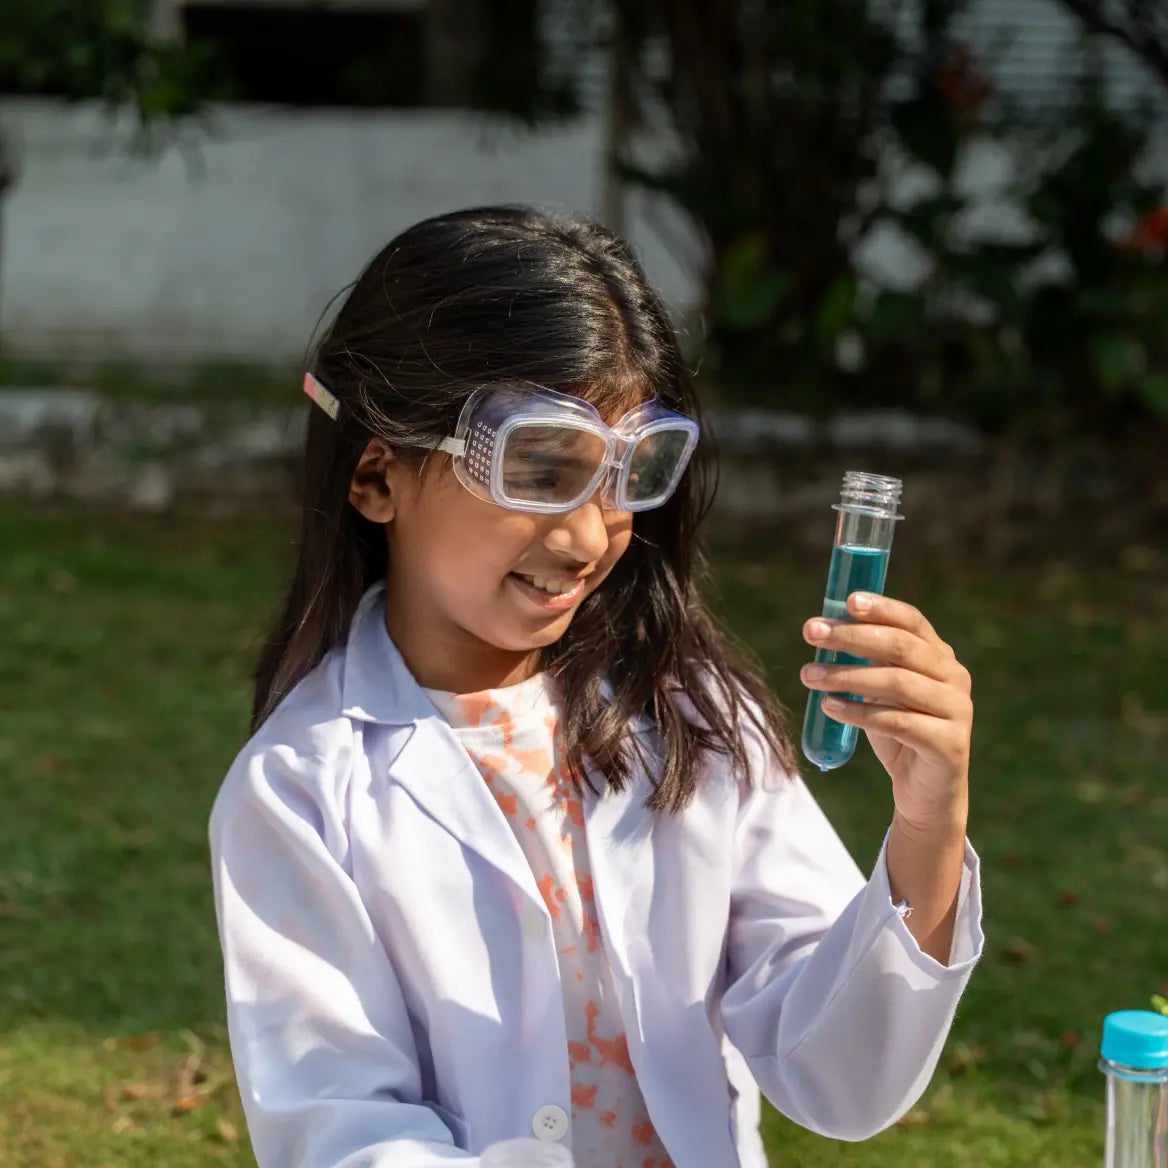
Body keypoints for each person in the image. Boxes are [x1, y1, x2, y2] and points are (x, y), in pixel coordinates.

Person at [209, 205, 983, 1168]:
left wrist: (925, 828)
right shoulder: (299, 785)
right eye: (539, 465)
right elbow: (344, 1127)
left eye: (631, 472)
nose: (587, 536)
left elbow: (839, 1072)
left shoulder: (693, 717)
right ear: (378, 476)